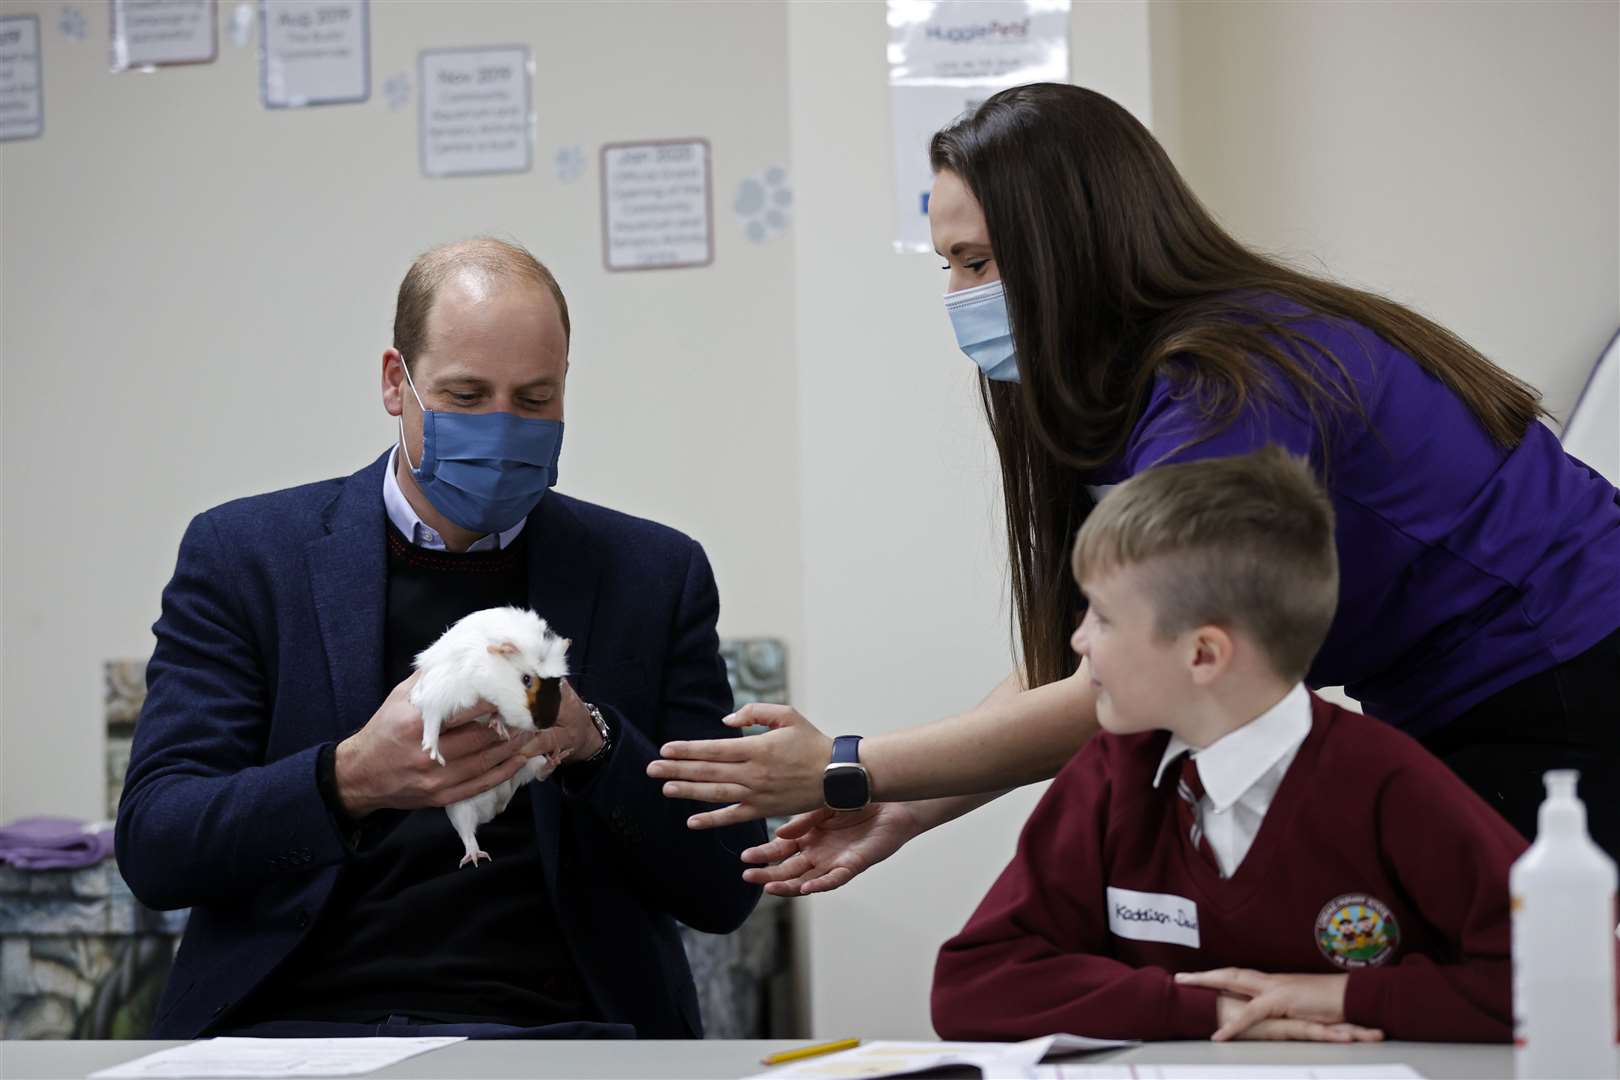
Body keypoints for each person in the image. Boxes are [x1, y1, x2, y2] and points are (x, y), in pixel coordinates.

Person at [647, 82, 1620, 889]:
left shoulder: (1227, 390)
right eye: (948, 265)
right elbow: (1094, 653)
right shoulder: (1150, 388)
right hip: (1489, 693)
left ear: (1071, 243)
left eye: (979, 262)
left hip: (1568, 675)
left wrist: (850, 766)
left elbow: (1134, 681)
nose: (959, 298)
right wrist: (898, 803)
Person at [116, 238, 764, 1040]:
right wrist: (348, 779)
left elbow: (724, 888)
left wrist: (596, 748)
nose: (501, 428)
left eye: (533, 401)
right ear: (397, 383)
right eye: (465, 396)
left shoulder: (652, 575)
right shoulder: (248, 557)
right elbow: (156, 844)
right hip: (293, 1028)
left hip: (562, 1034)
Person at [931, 448, 1527, 1044]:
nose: (1078, 640)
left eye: (1103, 617)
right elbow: (975, 982)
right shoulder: (1112, 774)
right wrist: (1218, 1011)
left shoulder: (1388, 783)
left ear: (1204, 655)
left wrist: (1342, 996)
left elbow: (1572, 979)